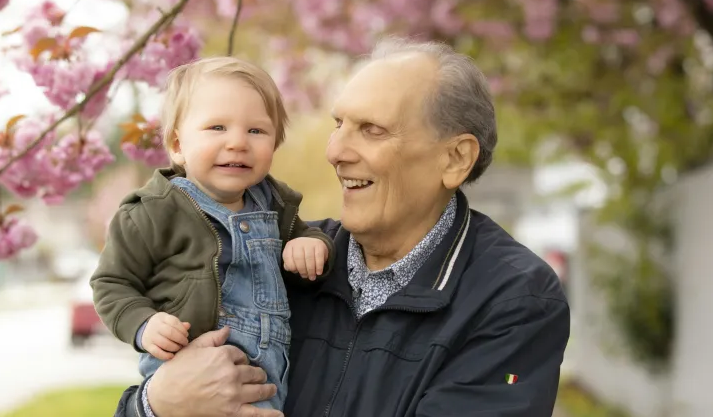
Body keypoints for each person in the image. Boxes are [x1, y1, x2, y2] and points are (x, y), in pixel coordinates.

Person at [114, 37, 570, 417]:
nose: (335, 151)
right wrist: (157, 404)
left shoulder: (513, 299)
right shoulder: (276, 257)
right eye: (339, 125)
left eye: (371, 129)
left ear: (454, 159)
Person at [92, 57, 335, 412]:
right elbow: (111, 283)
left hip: (267, 386)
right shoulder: (153, 212)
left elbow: (308, 236)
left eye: (256, 131)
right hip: (190, 380)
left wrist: (312, 245)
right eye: (217, 127)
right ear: (177, 145)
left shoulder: (276, 206)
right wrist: (144, 323)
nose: (237, 142)